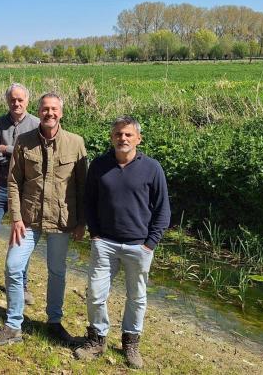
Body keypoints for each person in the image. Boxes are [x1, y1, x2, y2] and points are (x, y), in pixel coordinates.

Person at [0, 93, 87, 346]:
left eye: (54, 109)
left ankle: (54, 322)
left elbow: (83, 187)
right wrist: (17, 218)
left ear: (61, 113)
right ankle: (13, 325)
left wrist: (81, 222)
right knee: (13, 266)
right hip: (28, 219)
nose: (49, 113)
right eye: (45, 109)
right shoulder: (24, 141)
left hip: (61, 220)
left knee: (57, 271)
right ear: (39, 112)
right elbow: (13, 182)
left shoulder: (75, 143)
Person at [73, 116, 171, 369]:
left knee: (137, 297)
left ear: (138, 138)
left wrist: (150, 243)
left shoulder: (152, 168)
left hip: (139, 246)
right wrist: (95, 234)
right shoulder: (100, 165)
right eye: (118, 134)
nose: (123, 139)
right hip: (105, 243)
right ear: (111, 137)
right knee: (95, 293)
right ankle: (96, 339)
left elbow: (163, 210)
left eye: (128, 135)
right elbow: (89, 201)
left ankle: (131, 342)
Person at [0, 83, 39, 304]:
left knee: (21, 238)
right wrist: (17, 152)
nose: (16, 103)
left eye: (20, 100)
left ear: (27, 101)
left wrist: (7, 149)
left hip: (25, 188)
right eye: (12, 100)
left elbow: (33, 157)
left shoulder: (36, 124)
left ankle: (22, 284)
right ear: (7, 101)